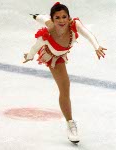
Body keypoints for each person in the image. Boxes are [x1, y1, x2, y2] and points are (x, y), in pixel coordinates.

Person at [23, 2, 107, 143]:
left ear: (69, 18)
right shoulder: (46, 34)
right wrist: (29, 56)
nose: (61, 20)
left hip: (60, 47)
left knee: (46, 20)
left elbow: (87, 34)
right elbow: (35, 47)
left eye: (64, 17)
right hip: (53, 56)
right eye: (57, 18)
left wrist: (96, 46)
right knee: (65, 87)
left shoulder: (74, 25)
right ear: (53, 19)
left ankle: (40, 16)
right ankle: (70, 123)